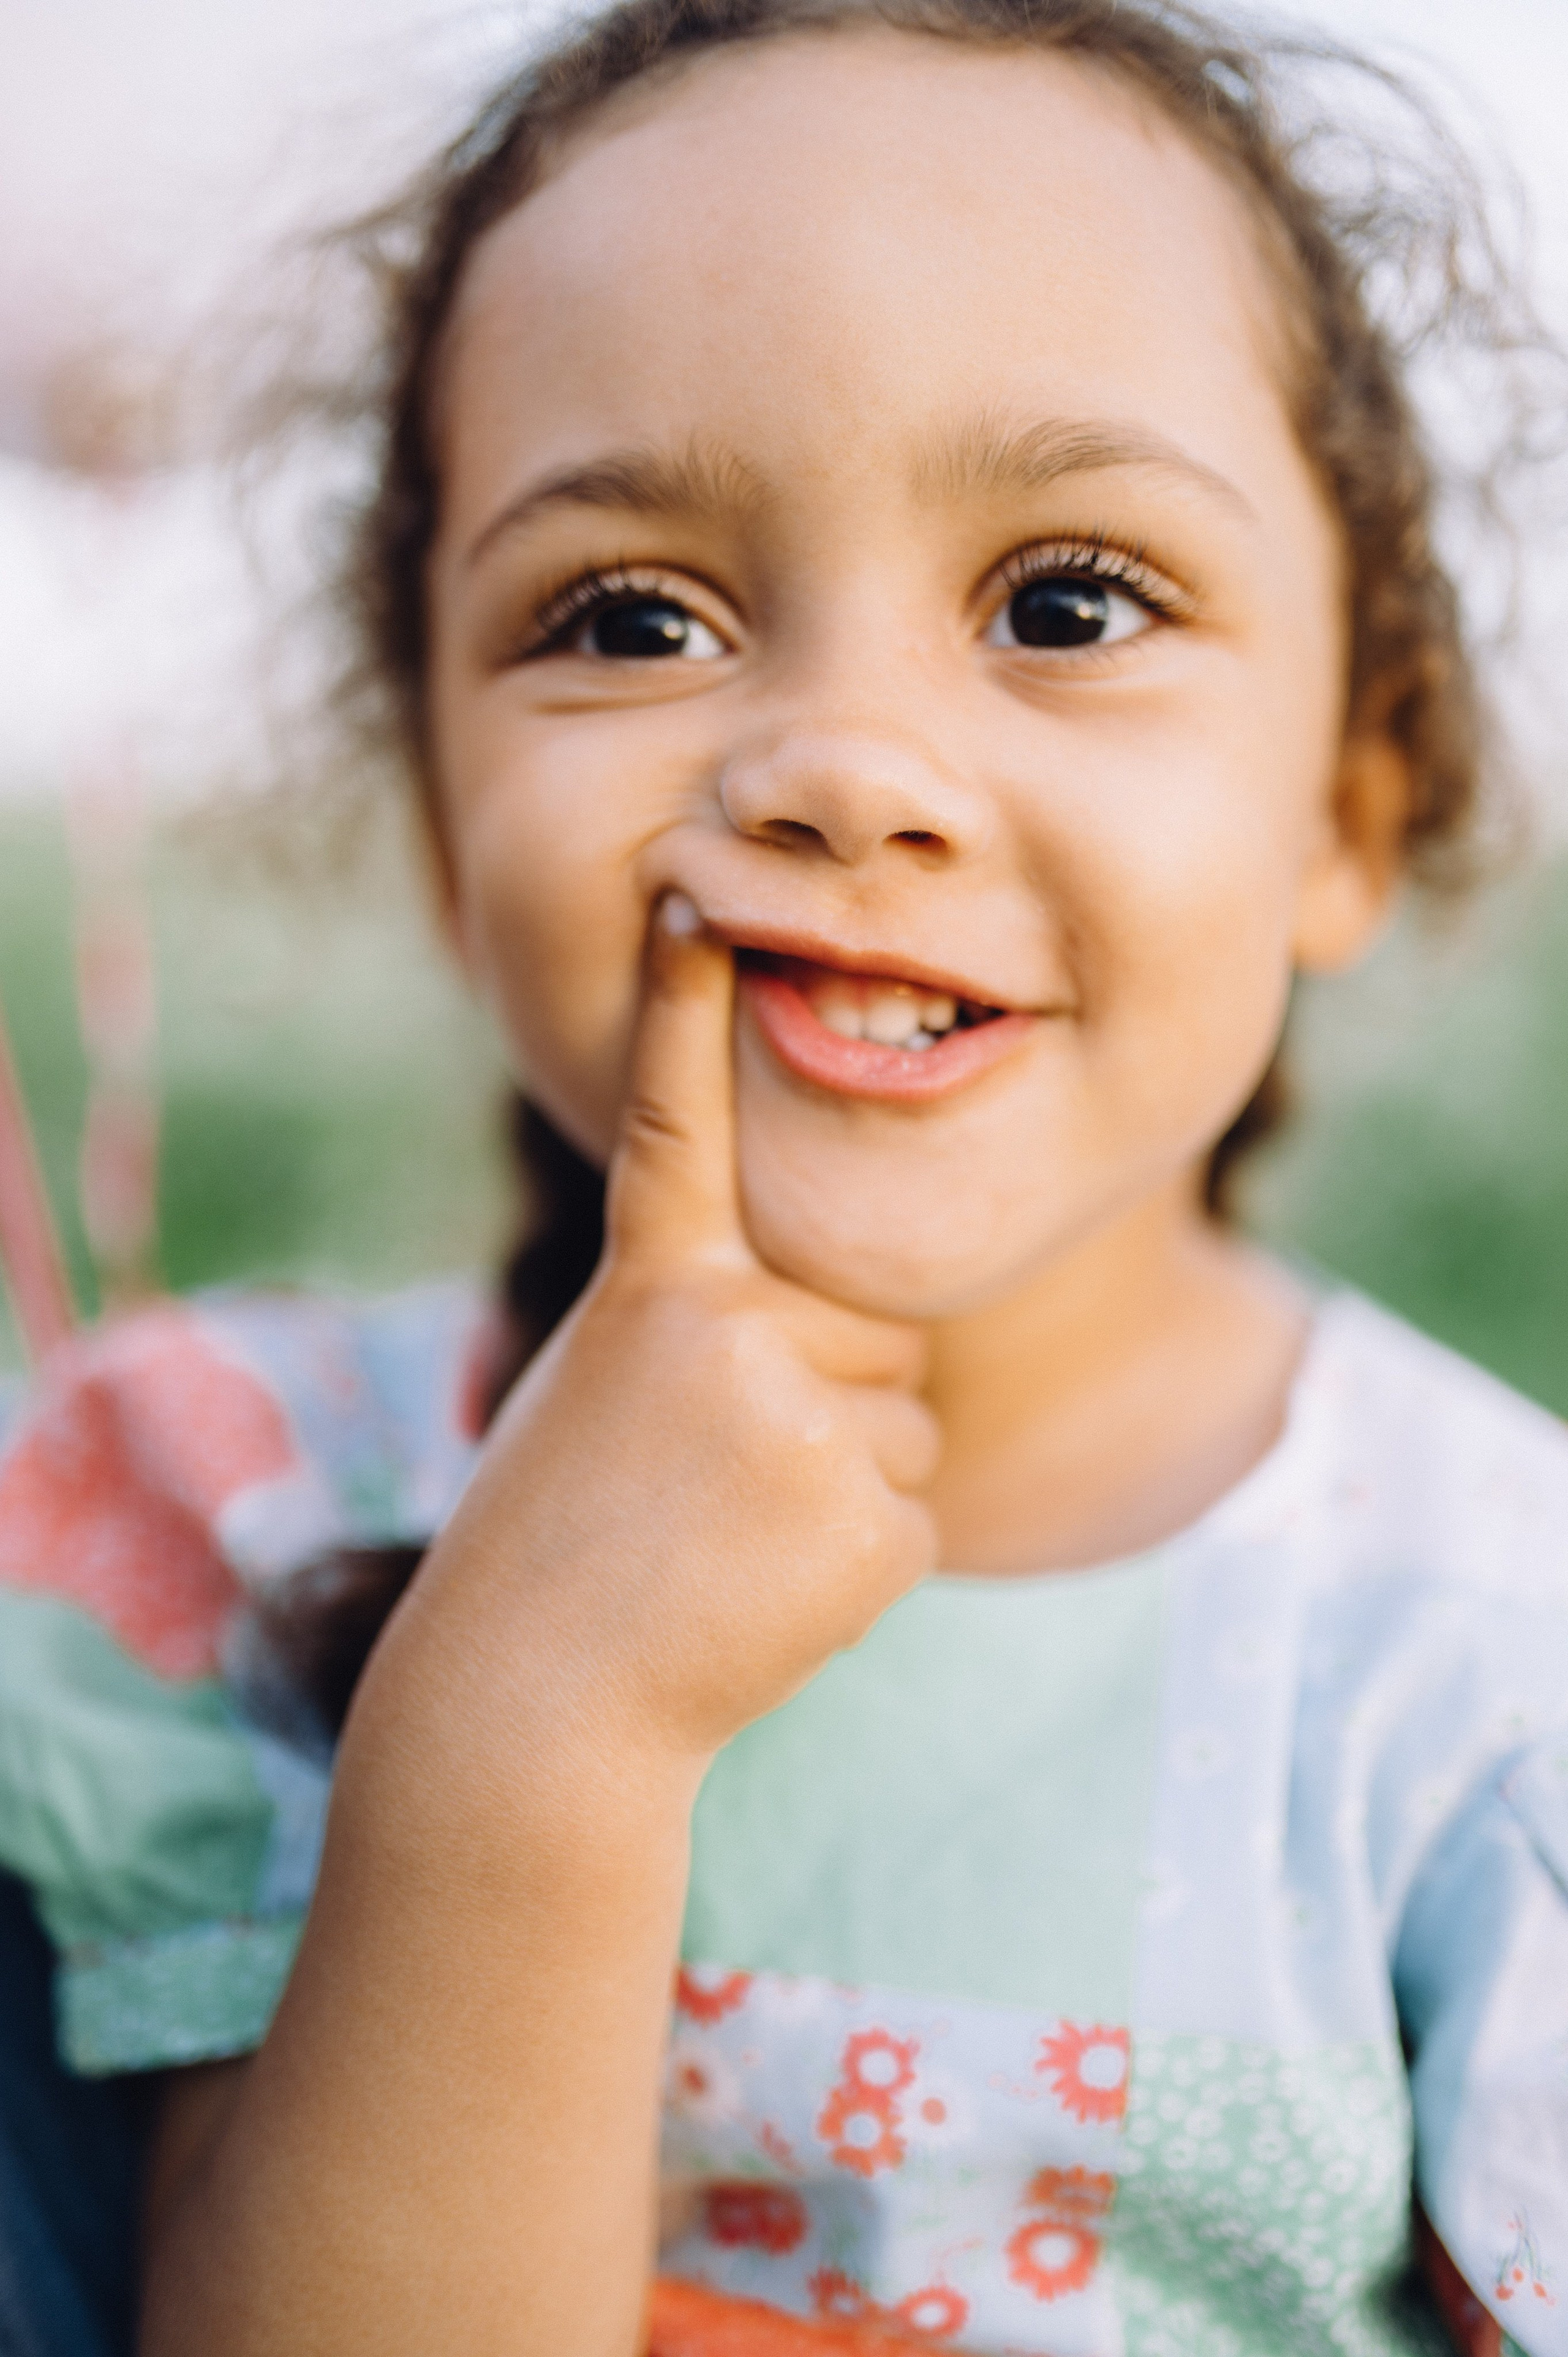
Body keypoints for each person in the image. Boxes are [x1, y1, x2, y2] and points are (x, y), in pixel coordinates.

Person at [0, 1, 1563, 2350]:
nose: (845, 766)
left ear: (1346, 800)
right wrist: (534, 1710)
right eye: (633, 619)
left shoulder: (1484, 1663)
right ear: (445, 832)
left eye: (1068, 601)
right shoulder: (209, 1505)